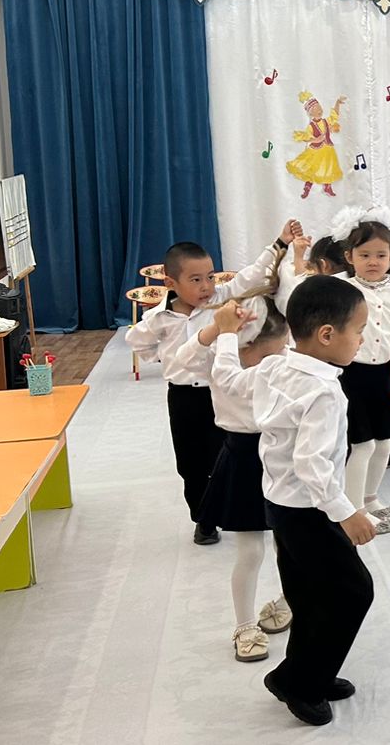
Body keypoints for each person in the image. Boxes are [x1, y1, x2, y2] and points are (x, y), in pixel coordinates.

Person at [248, 274, 374, 727]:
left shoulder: (276, 366)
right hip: (309, 509)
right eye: (358, 330)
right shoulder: (324, 391)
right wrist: (347, 513)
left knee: (308, 593)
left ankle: (311, 671)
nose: (362, 340)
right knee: (353, 592)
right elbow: (312, 463)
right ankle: (298, 682)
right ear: (326, 335)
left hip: (281, 504)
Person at [125, 223, 299, 544]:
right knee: (190, 463)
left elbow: (252, 274)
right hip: (183, 398)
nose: (206, 286)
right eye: (195, 280)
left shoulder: (220, 299)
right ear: (170, 283)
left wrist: (280, 242)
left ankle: (231, 510)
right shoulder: (159, 318)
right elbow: (136, 342)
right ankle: (203, 520)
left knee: (224, 457)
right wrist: (163, 357)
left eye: (210, 277)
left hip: (220, 393)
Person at [192, 299, 292, 662]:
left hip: (281, 455)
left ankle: (288, 600)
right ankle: (245, 625)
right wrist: (220, 331)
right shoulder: (221, 357)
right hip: (242, 458)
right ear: (242, 346)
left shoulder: (282, 361)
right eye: (264, 356)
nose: (272, 363)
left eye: (279, 352)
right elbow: (181, 360)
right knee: (250, 551)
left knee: (289, 544)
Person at [332, 207, 390, 533]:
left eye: (381, 255)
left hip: (382, 378)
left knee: (384, 444)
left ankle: (369, 498)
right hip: (348, 377)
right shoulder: (340, 290)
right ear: (349, 256)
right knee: (362, 445)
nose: (373, 261)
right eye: (364, 254)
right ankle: (353, 509)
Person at [286, 92, 347, 200]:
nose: (319, 110)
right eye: (315, 109)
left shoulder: (325, 121)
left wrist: (338, 103)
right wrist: (315, 139)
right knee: (311, 169)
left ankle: (327, 187)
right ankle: (307, 187)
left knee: (328, 168)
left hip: (328, 149)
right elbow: (306, 137)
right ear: (310, 113)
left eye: (319, 107)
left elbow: (334, 116)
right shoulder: (311, 126)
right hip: (316, 150)